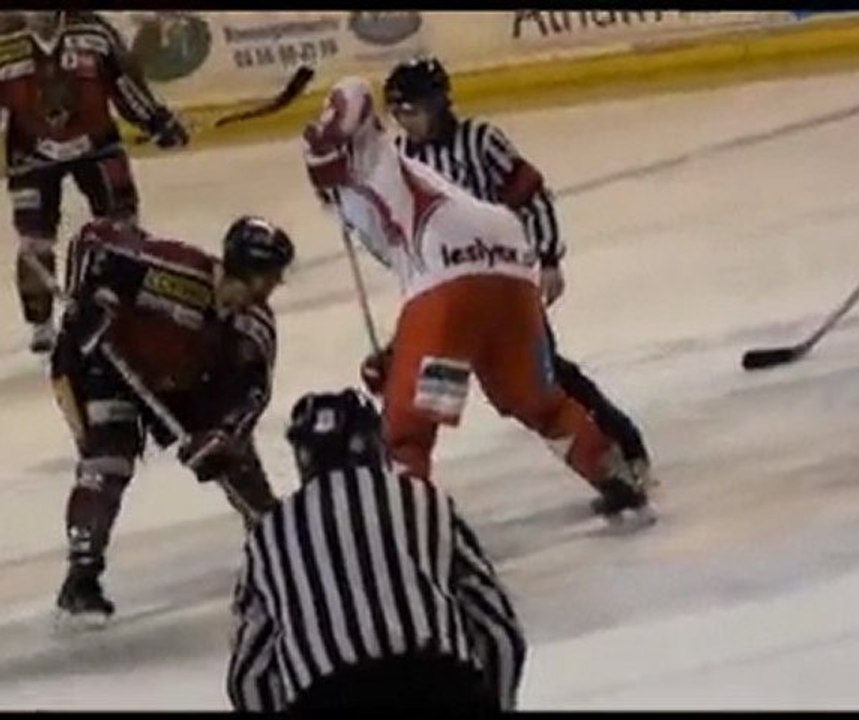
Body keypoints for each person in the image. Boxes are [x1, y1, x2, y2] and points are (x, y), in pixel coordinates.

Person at [301, 76, 655, 521]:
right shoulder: (374, 188)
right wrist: (399, 354)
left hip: (455, 275)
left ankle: (409, 523)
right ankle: (611, 473)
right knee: (536, 401)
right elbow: (438, 293)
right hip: (505, 263)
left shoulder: (373, 158)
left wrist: (331, 132)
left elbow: (353, 89)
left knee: (410, 426)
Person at [382, 56, 651, 478]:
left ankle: (619, 446)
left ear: (439, 103)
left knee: (542, 385)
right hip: (445, 298)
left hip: (500, 287)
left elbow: (531, 196)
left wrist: (547, 259)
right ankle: (411, 492)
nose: (405, 122)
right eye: (397, 113)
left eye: (411, 110)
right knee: (429, 399)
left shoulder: (480, 141)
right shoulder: (397, 158)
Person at [51, 214, 293, 621]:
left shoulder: (255, 327)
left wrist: (223, 436)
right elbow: (94, 239)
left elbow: (251, 394)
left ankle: (277, 544)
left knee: (236, 462)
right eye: (265, 276)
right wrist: (83, 309)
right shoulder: (174, 273)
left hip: (186, 385)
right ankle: (82, 578)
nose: (270, 287)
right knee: (107, 462)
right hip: (110, 370)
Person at [227, 387, 526, 712]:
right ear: (374, 443)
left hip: (329, 699)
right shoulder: (425, 503)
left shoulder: (268, 536)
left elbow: (250, 676)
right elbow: (498, 630)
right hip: (440, 686)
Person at [0, 11, 188, 353]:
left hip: (98, 143)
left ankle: (128, 302)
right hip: (30, 153)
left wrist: (156, 121)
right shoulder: (4, 41)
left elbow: (124, 83)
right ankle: (41, 324)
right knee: (34, 242)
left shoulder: (93, 31)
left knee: (123, 228)